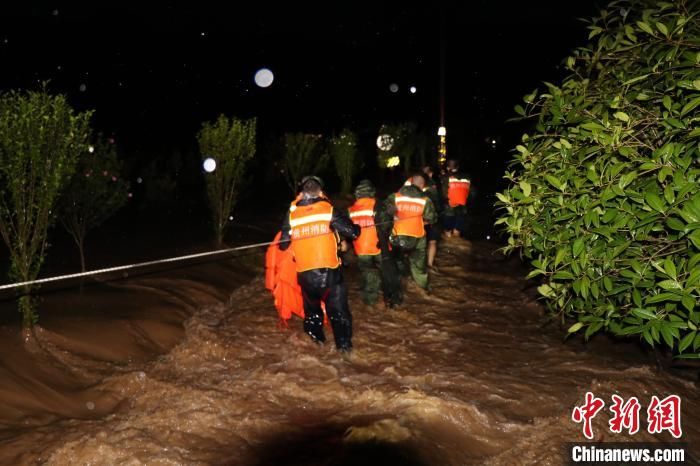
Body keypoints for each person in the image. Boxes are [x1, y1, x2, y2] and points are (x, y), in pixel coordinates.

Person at [279, 176, 360, 352]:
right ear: (321, 192)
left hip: (305, 278)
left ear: (301, 194)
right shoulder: (327, 210)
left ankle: (316, 348)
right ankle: (345, 353)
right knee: (339, 315)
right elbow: (353, 232)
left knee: (312, 316)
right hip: (330, 276)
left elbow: (283, 245)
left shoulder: (292, 215)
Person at [348, 180, 402, 308]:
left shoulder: (350, 210)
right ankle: (390, 301)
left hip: (361, 249)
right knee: (388, 274)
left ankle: (370, 303)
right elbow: (387, 225)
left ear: (357, 194)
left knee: (368, 275)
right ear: (372, 192)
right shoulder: (379, 204)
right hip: (379, 247)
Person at [380, 173, 437, 292]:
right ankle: (423, 289)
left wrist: (393, 216)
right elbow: (432, 218)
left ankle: (398, 289)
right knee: (418, 266)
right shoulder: (425, 200)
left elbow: (383, 212)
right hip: (417, 237)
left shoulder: (395, 196)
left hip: (397, 235)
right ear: (422, 185)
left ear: (411, 183)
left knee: (397, 263)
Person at [441, 159, 471, 238]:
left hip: (449, 209)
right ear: (458, 167)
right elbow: (472, 193)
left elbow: (443, 193)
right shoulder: (467, 177)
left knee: (447, 232)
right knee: (457, 231)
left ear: (447, 167)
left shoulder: (445, 177)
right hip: (462, 208)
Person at [421, 165, 442, 270]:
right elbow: (438, 201)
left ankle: (420, 265)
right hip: (432, 217)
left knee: (419, 242)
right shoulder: (434, 184)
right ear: (430, 173)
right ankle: (430, 263)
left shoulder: (414, 183)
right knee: (432, 241)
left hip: (418, 217)